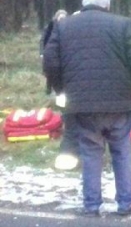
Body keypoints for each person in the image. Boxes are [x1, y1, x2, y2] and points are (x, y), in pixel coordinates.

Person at [43, 0, 131, 217]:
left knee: (90, 152)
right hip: (120, 102)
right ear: (107, 4)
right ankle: (126, 202)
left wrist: (62, 88)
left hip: (81, 103)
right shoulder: (124, 25)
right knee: (121, 151)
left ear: (83, 3)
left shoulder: (63, 26)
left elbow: (50, 61)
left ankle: (91, 205)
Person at [40, 9, 80, 171]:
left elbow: (50, 60)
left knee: (71, 126)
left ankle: (68, 160)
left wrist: (58, 87)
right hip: (93, 95)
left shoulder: (65, 38)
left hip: (70, 89)